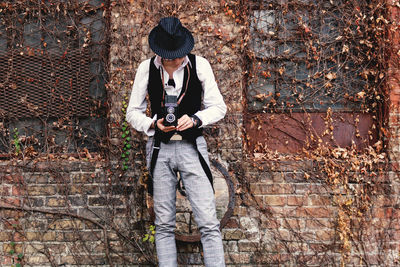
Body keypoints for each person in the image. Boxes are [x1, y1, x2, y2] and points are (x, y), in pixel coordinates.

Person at [126, 17, 227, 267]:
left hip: (192, 148)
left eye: (181, 54)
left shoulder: (199, 65)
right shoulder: (146, 68)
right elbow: (132, 113)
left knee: (209, 222)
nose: (177, 59)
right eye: (172, 55)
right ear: (161, 53)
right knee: (163, 225)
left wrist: (195, 119)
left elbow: (219, 107)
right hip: (160, 150)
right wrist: (152, 123)